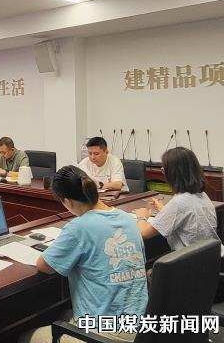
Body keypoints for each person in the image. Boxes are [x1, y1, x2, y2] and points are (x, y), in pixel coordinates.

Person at [21, 166, 147, 343]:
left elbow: (44, 266)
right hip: (140, 327)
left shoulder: (79, 227)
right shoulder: (126, 218)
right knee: (63, 314)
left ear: (68, 202)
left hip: (104, 334)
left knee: (25, 336)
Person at [134, 147, 222, 250]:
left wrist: (141, 217)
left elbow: (144, 233)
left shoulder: (179, 203)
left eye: (164, 170)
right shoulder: (202, 195)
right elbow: (183, 215)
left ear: (172, 174)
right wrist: (162, 208)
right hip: (212, 256)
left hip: (190, 259)